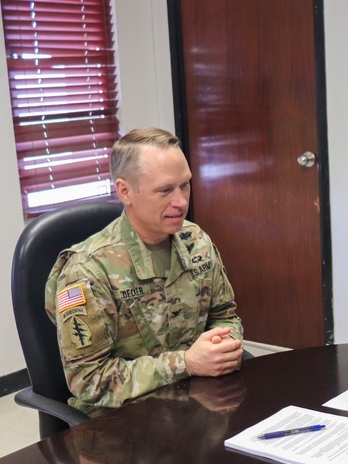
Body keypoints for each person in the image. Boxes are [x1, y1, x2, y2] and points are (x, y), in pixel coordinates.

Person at [45, 127, 244, 416]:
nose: (181, 202)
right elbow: (88, 381)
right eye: (165, 190)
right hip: (124, 423)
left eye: (185, 185)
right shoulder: (87, 271)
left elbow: (224, 314)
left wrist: (222, 346)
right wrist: (185, 363)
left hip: (197, 403)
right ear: (125, 191)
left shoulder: (196, 241)